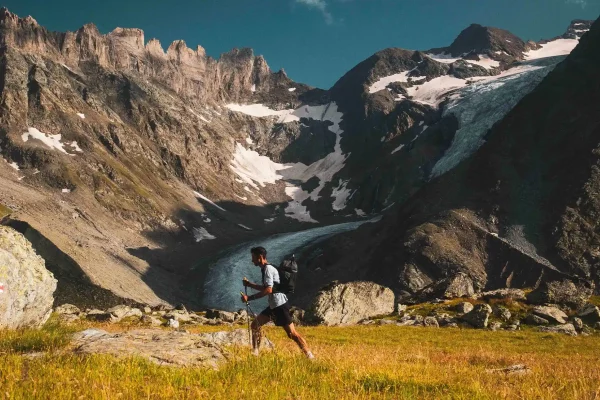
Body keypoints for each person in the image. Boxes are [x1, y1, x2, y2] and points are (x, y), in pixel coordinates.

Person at [241, 246, 314, 359]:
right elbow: (268, 287)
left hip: (279, 305)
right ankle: (255, 353)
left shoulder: (268, 269)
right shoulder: (265, 269)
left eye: (253, 257)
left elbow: (268, 290)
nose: (252, 260)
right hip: (274, 305)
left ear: (260, 257)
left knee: (292, 334)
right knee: (255, 325)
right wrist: (250, 285)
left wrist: (249, 298)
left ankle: (309, 355)